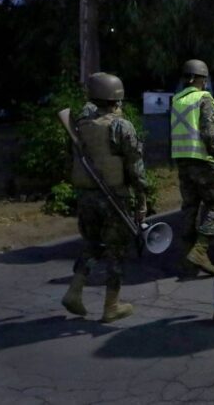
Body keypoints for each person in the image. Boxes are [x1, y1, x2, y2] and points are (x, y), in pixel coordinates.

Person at [61, 72, 149, 323]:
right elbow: (136, 169)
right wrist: (142, 200)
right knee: (116, 252)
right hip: (114, 198)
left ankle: (74, 291)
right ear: (117, 98)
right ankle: (111, 306)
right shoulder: (121, 126)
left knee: (92, 244)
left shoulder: (81, 126)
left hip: (86, 196)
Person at [170, 59, 214, 276]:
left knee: (190, 208)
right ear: (201, 79)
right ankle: (201, 250)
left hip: (183, 160)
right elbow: (210, 135)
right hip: (203, 160)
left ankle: (187, 259)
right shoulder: (204, 99)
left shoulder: (176, 100)